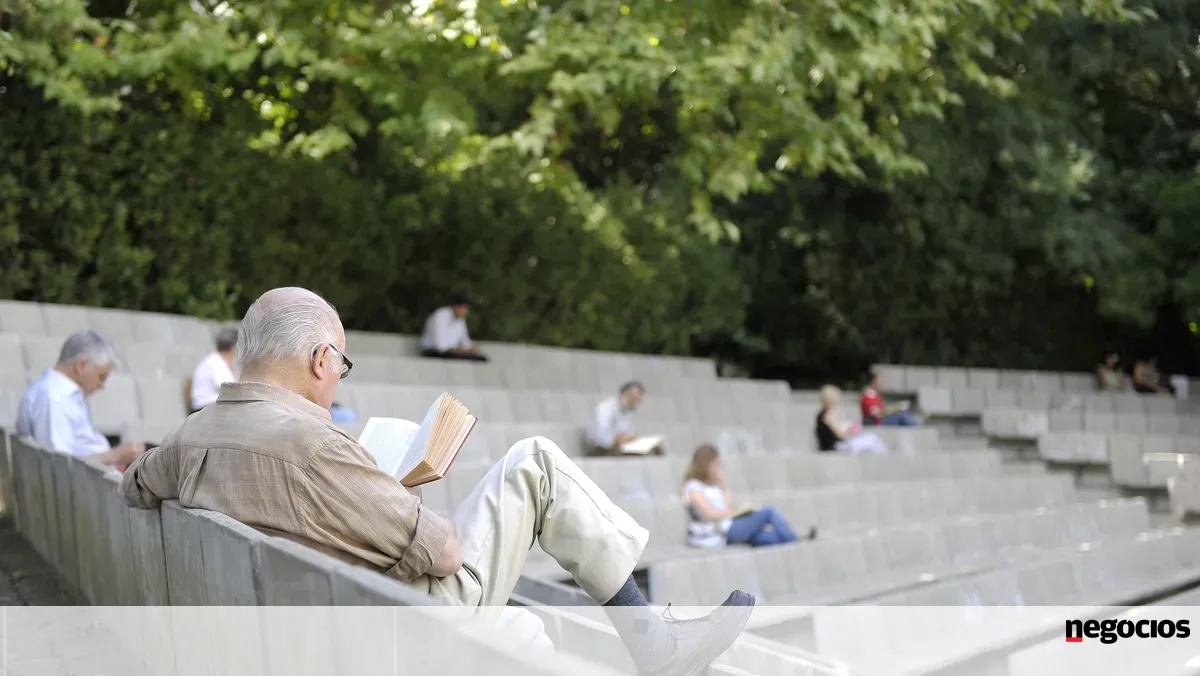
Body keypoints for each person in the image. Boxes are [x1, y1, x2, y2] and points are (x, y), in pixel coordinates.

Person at [119, 287, 753, 675]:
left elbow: (135, 487)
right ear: (319, 360)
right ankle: (654, 644)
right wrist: (394, 492)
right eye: (339, 363)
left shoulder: (191, 435)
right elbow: (445, 553)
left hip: (306, 632)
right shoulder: (314, 447)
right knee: (535, 463)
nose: (339, 376)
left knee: (521, 634)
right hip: (388, 628)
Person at [15, 331, 145, 467]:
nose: (102, 386)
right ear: (81, 366)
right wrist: (115, 456)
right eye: (101, 377)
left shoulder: (64, 395)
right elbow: (60, 465)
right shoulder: (53, 398)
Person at [682, 445, 815, 548]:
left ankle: (795, 539)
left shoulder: (713, 486)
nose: (719, 468)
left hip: (728, 524)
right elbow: (708, 514)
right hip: (719, 531)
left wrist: (725, 487)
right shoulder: (693, 486)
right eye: (716, 465)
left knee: (764, 537)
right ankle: (795, 541)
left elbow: (727, 506)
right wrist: (729, 514)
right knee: (769, 511)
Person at [586, 381, 662, 455]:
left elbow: (626, 433)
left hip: (620, 446)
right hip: (602, 449)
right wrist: (619, 439)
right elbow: (602, 437)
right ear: (625, 395)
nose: (635, 404)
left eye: (637, 401)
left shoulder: (626, 411)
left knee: (657, 448)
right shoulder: (605, 408)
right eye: (634, 399)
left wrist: (631, 438)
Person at [816, 385, 888, 455]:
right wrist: (850, 428)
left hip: (833, 446)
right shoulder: (830, 415)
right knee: (872, 439)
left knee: (871, 440)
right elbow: (841, 435)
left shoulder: (821, 414)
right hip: (835, 447)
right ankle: (887, 459)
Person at [420, 295, 488, 362]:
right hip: (433, 351)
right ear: (456, 307)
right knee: (460, 357)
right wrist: (461, 351)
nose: (467, 312)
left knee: (481, 359)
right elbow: (440, 346)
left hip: (451, 353)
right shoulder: (440, 316)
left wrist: (471, 348)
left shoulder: (461, 320)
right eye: (465, 308)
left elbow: (465, 341)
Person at [190, 325, 239, 413]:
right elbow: (228, 388)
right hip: (205, 408)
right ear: (233, 347)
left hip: (211, 407)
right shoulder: (215, 362)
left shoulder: (217, 360)